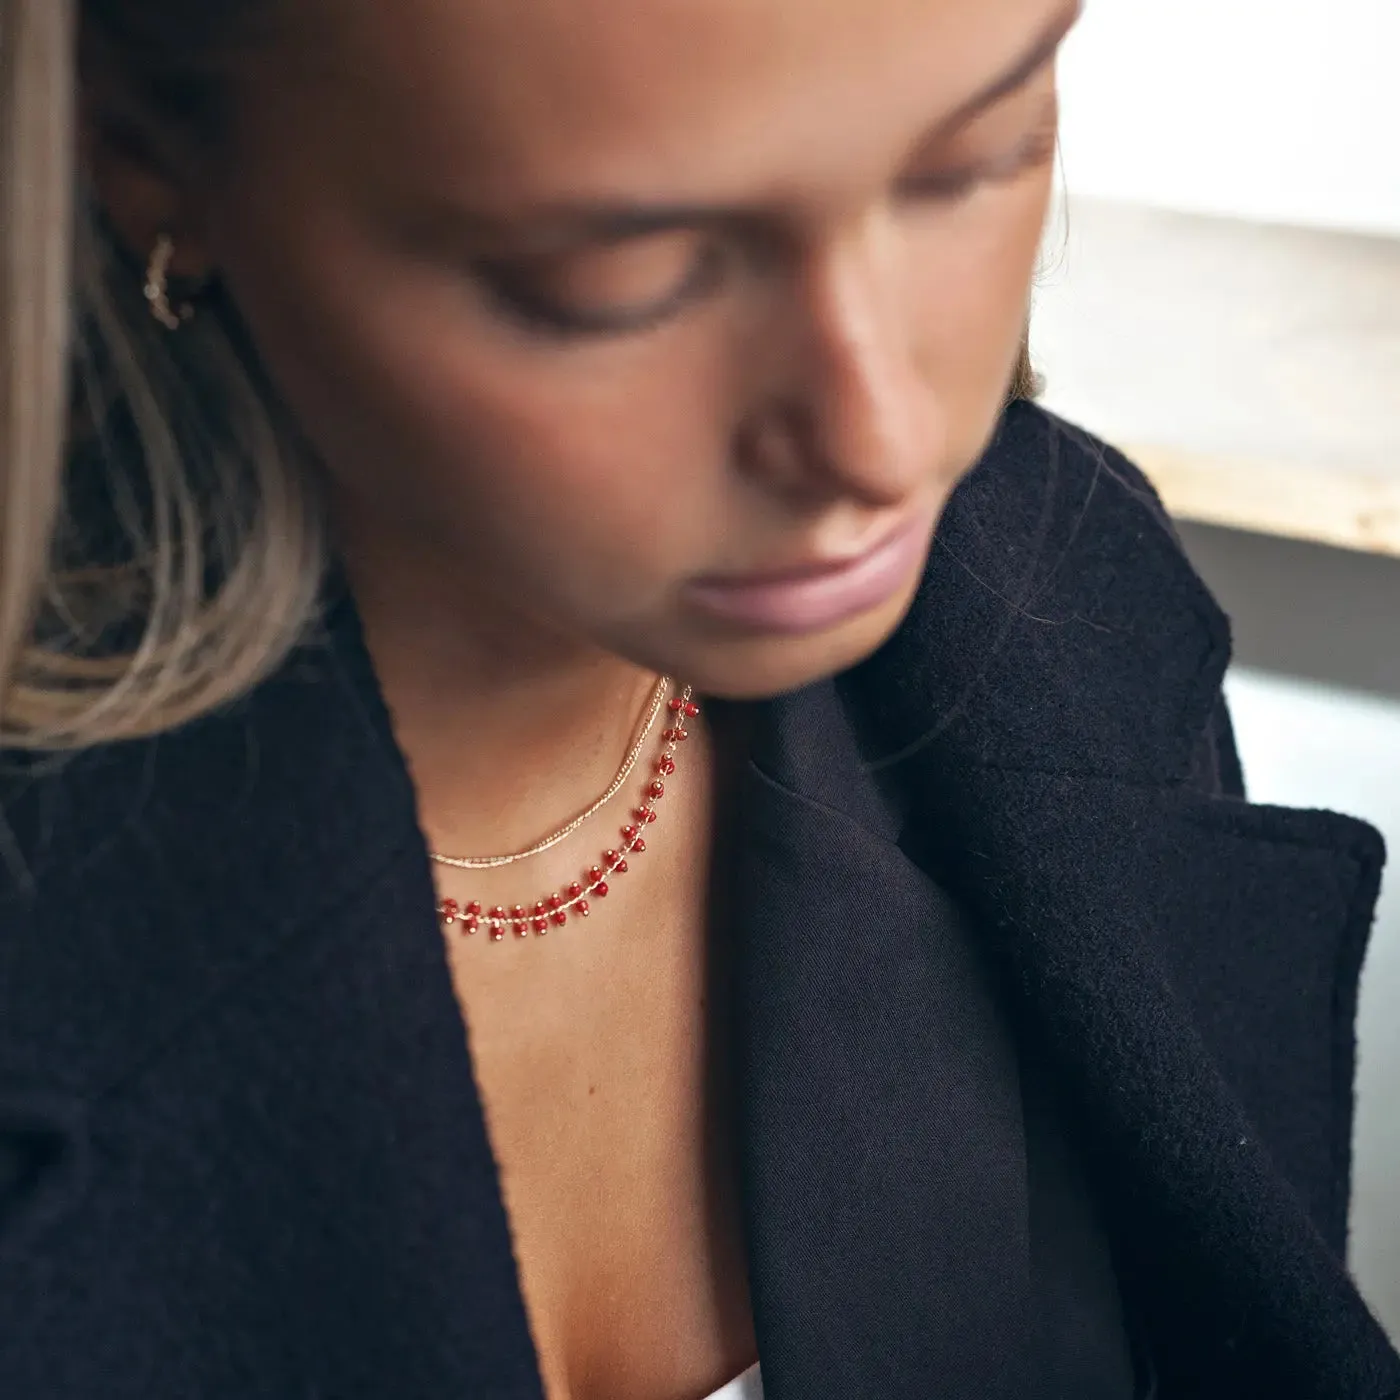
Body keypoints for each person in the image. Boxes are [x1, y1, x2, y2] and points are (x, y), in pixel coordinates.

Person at [0, 1, 1395, 1397]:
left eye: (976, 157)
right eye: (621, 272)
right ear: (143, 153)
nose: (881, 440)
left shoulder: (1068, 619)